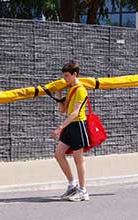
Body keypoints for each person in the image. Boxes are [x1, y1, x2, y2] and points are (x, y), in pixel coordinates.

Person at [52, 61, 90, 202]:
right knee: (58, 154)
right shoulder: (70, 89)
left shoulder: (80, 89)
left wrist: (59, 128)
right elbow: (62, 111)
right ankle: (72, 185)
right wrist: (58, 93)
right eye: (64, 76)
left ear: (75, 74)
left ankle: (83, 191)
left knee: (78, 160)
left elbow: (75, 113)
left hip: (78, 125)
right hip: (69, 126)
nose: (65, 79)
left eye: (67, 76)